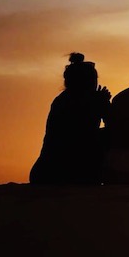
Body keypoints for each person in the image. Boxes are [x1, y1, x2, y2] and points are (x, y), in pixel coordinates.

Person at [29, 53, 111, 185]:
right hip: (71, 171)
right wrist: (104, 103)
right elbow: (112, 124)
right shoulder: (91, 100)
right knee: (109, 135)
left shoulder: (60, 100)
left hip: (43, 172)